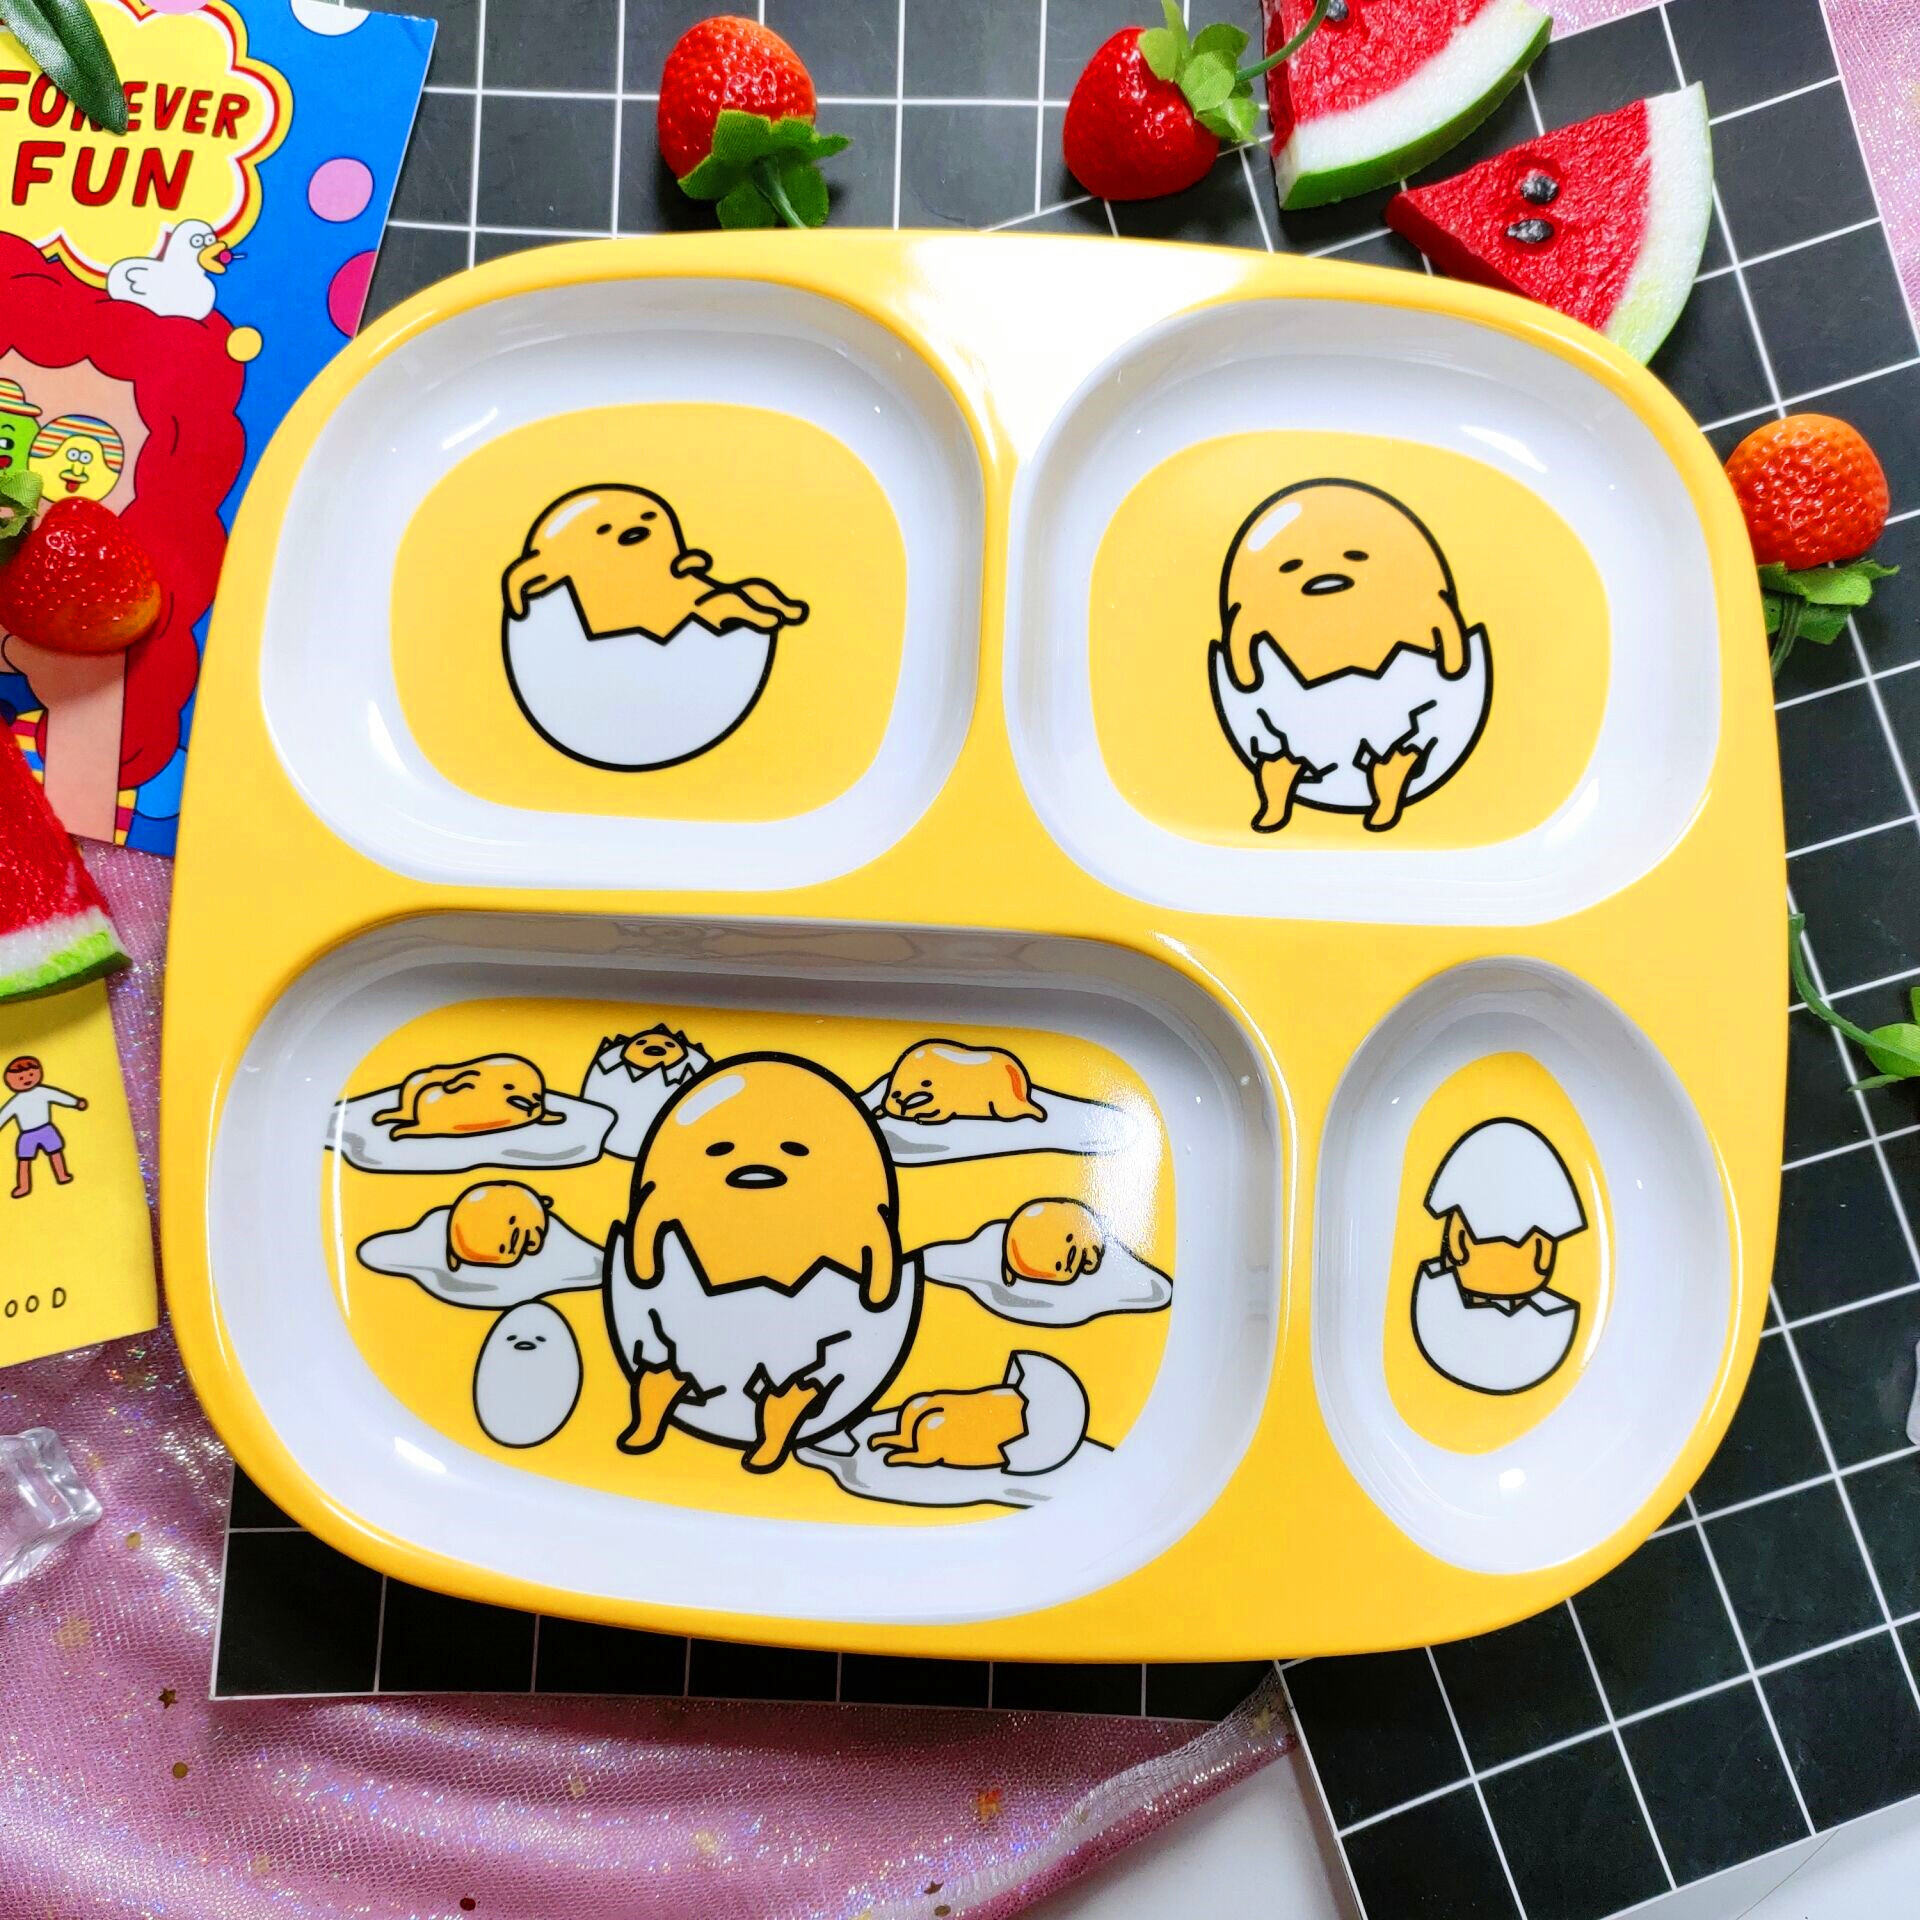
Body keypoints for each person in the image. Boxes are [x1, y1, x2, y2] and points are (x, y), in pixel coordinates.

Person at [0, 1055, 86, 1197]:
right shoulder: (16, 1101)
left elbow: (59, 1096)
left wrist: (75, 1102)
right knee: (24, 1160)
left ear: (38, 1073)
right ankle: (23, 1186)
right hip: (27, 1135)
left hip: (46, 1129)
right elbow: (4, 1115)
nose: (27, 1079)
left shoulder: (43, 1092)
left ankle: (62, 1175)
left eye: (31, 1075)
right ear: (10, 1081)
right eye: (20, 1078)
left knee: (56, 1152)